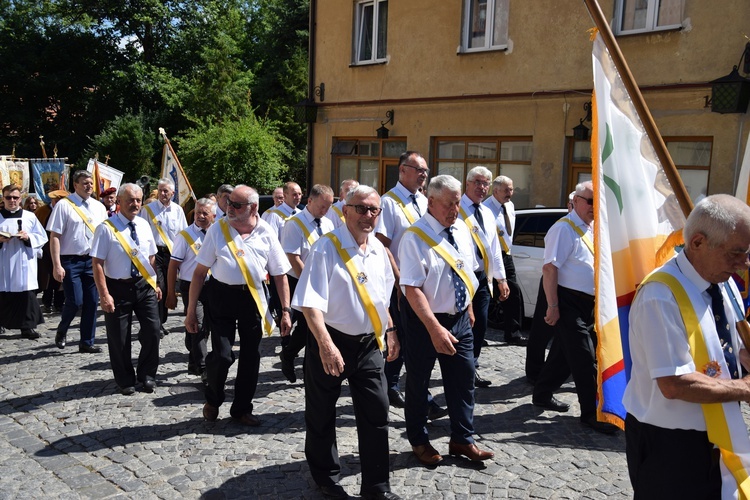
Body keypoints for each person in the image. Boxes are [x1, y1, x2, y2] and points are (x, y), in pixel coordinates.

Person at [624, 194, 750, 498]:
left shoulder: (724, 280)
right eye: (736, 253)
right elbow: (675, 384)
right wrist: (747, 388)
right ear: (697, 243)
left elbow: (730, 348)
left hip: (718, 432)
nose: (744, 264)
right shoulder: (660, 295)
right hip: (671, 445)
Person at [293, 184, 402, 500]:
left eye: (374, 210)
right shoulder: (326, 248)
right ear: (345, 211)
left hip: (369, 345)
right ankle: (326, 477)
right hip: (331, 340)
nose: (368, 216)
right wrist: (326, 346)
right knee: (322, 412)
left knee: (377, 412)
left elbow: (382, 300)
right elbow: (311, 305)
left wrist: (391, 331)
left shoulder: (379, 250)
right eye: (361, 209)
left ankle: (377, 487)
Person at [399, 174, 494, 465]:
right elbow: (411, 289)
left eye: (457, 204)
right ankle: (419, 440)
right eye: (449, 205)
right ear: (431, 202)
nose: (455, 210)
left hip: (460, 319)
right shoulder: (414, 237)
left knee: (463, 379)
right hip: (424, 321)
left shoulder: (462, 229)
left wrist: (467, 306)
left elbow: (467, 270)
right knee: (418, 383)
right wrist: (434, 328)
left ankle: (462, 439)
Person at [187, 185, 292, 426]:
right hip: (221, 296)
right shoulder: (217, 230)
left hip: (252, 299)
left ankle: (242, 408)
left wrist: (285, 311)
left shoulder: (266, 232)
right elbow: (199, 273)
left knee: (251, 356)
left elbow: (280, 275)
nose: (229, 208)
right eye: (229, 203)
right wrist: (191, 310)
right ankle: (213, 398)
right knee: (222, 355)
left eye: (236, 205)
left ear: (253, 208)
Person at [531, 181, 618, 434]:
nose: (594, 207)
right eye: (590, 201)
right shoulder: (563, 229)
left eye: (596, 202)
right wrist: (553, 306)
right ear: (576, 201)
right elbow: (550, 269)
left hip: (587, 303)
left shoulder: (590, 229)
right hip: (567, 301)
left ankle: (542, 393)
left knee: (563, 356)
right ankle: (592, 413)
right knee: (584, 357)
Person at [376, 151, 448, 420]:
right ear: (402, 170)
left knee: (410, 341)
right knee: (411, 339)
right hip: (402, 283)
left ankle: (390, 383)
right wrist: (397, 279)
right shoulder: (389, 202)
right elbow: (382, 246)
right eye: (419, 170)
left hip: (426, 283)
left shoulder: (424, 200)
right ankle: (416, 396)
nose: (424, 175)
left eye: (426, 171)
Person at [91, 183, 161, 395]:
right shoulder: (106, 228)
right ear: (119, 202)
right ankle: (125, 379)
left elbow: (150, 257)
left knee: (153, 330)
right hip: (117, 287)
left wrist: (154, 282)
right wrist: (104, 295)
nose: (135, 204)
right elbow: (97, 263)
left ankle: (147, 375)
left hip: (143, 285)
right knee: (119, 336)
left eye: (138, 200)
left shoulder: (144, 225)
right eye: (130, 199)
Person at [279, 184, 335, 383]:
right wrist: (310, 282)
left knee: (313, 327)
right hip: (299, 280)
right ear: (309, 201)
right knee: (306, 326)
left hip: (322, 282)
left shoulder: (328, 224)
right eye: (322, 206)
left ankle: (307, 366)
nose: (325, 211)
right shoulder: (294, 224)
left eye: (328, 207)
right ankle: (290, 355)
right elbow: (293, 257)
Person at [47, 170, 108, 353]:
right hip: (70, 260)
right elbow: (55, 236)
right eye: (85, 183)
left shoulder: (99, 207)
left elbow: (105, 236)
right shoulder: (64, 206)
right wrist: (56, 264)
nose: (89, 186)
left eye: (91, 183)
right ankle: (62, 329)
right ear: (75, 185)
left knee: (91, 301)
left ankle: (87, 341)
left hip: (92, 260)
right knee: (75, 300)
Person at [459, 167, 509, 388]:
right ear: (467, 183)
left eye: (486, 183)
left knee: (480, 324)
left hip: (482, 278)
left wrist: (501, 278)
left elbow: (494, 248)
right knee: (462, 325)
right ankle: (460, 367)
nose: (482, 187)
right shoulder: (456, 208)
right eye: (478, 182)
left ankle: (472, 366)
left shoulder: (488, 212)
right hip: (460, 277)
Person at [525, 191, 574, 384]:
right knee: (541, 330)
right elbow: (550, 266)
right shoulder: (562, 227)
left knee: (564, 335)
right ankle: (534, 372)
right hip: (551, 283)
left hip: (570, 289)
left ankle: (553, 372)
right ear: (571, 204)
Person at [166, 197, 216, 382]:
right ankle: (204, 367)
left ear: (213, 215)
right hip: (192, 287)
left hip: (214, 286)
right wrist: (171, 293)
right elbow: (173, 266)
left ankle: (194, 356)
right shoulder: (185, 236)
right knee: (199, 325)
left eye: (205, 213)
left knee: (206, 327)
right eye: (197, 213)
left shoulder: (218, 233)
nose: (200, 216)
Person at [139, 177, 188, 338]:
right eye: (160, 190)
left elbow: (182, 233)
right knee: (159, 287)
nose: (163, 193)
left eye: (166, 191)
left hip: (172, 254)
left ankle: (162, 320)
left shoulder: (178, 210)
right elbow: (141, 231)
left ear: (172, 193)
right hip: (155, 253)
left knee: (169, 287)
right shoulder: (148, 210)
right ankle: (157, 323)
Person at [0, 184, 48, 339]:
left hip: (24, 262)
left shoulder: (30, 216)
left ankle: (27, 327)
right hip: (3, 261)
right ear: (3, 198)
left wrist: (28, 238)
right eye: (8, 197)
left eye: (15, 197)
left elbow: (41, 237)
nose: (12, 200)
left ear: (20, 199)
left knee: (26, 295)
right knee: (3, 293)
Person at [484, 175, 527, 345]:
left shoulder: (510, 206)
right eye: (506, 190)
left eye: (511, 189)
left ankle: (513, 334)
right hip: (489, 256)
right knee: (486, 296)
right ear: (495, 191)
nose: (510, 193)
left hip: (506, 255)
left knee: (513, 293)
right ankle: (478, 336)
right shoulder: (486, 208)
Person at [36, 190, 67, 313]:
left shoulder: (67, 210)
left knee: (61, 278)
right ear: (52, 201)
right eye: (56, 201)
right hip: (46, 250)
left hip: (63, 249)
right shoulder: (42, 211)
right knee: (48, 277)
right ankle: (47, 301)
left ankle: (59, 303)